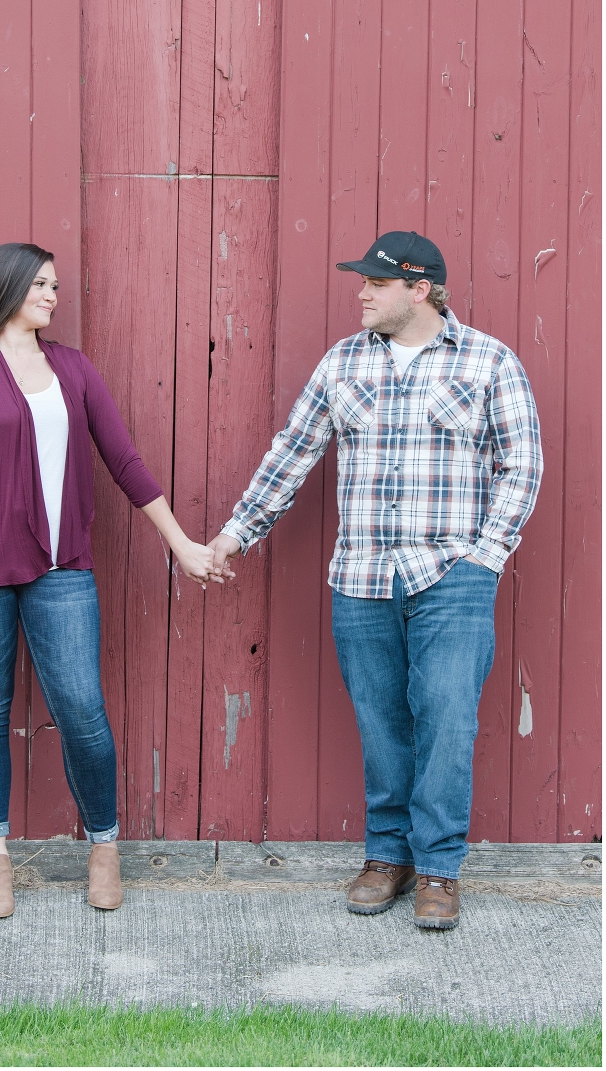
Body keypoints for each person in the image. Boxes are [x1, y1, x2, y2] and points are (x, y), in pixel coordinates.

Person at [208, 231, 542, 929]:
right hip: (360, 577)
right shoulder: (343, 363)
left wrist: (485, 557)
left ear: (419, 290)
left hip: (452, 575)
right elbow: (291, 455)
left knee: (447, 721)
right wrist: (236, 535)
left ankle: (440, 868)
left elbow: (522, 467)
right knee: (382, 724)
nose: (361, 292)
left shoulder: (488, 362)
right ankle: (387, 857)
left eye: (375, 283)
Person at [0, 242, 219, 919]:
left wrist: (181, 545)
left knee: (82, 710)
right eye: (41, 285)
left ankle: (104, 846)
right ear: (6, 288)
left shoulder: (73, 370)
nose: (53, 295)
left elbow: (124, 460)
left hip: (60, 570)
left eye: (55, 286)